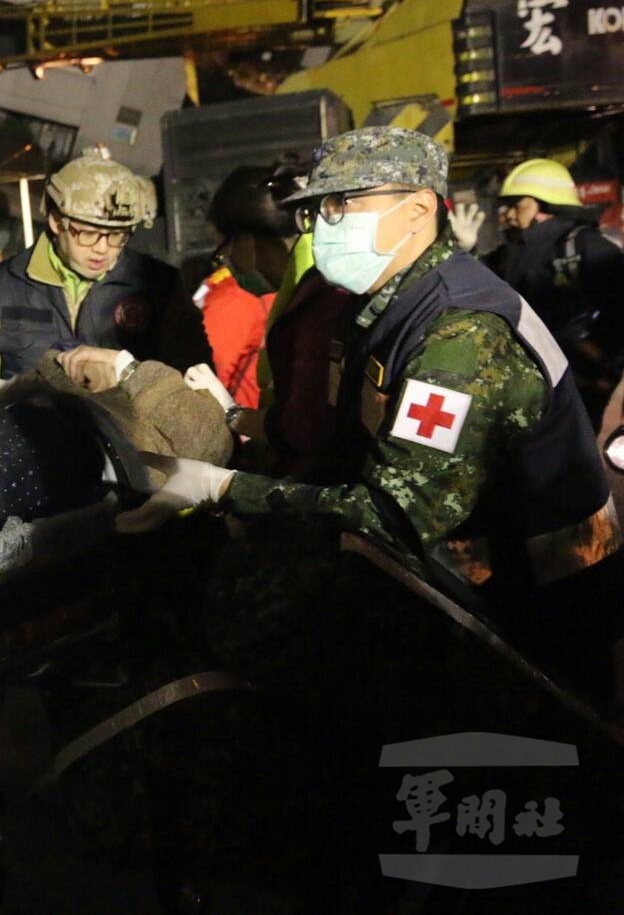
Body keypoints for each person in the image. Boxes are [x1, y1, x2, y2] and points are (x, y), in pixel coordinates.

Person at [118, 128, 624, 698]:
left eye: (343, 204)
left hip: (535, 605)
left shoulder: (457, 333)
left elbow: (392, 515)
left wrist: (223, 488)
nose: (324, 224)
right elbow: (350, 446)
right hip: (474, 571)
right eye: (317, 209)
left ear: (417, 210)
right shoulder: (390, 303)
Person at [0, 152, 210, 405]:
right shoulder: (3, 282)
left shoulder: (160, 284)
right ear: (56, 221)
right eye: (87, 233)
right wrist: (4, 389)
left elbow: (195, 374)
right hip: (29, 436)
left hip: (133, 442)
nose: (102, 248)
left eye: (117, 235)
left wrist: (126, 376)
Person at [487, 157, 624, 425]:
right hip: (535, 386)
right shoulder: (511, 252)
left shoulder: (586, 247)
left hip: (588, 388)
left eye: (517, 205)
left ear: (545, 204)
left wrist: (612, 373)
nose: (510, 214)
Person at [193, 164, 304, 410]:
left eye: (224, 251)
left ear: (245, 242)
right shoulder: (307, 292)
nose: (226, 262)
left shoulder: (310, 307)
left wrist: (235, 417)